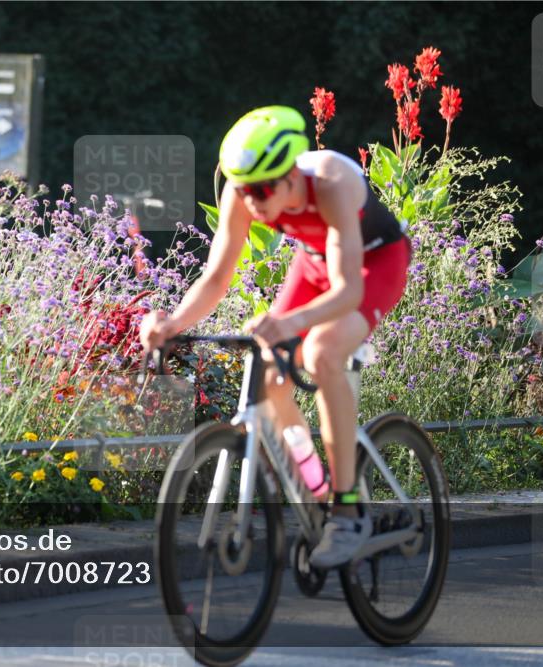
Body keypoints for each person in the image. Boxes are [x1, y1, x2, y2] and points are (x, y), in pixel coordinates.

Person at [139, 106, 411, 568]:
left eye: (263, 190)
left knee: (322, 352)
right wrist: (173, 322)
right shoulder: (243, 194)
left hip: (374, 262)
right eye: (245, 190)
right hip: (313, 262)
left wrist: (286, 324)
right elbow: (217, 278)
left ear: (290, 175)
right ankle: (316, 488)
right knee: (268, 378)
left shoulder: (331, 184)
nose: (254, 202)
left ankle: (347, 511)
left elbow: (348, 291)